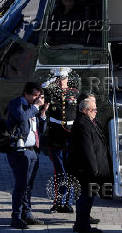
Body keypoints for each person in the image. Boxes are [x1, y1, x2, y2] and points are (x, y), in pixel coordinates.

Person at [6, 82, 49, 229]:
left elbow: (40, 131)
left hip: (33, 150)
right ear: (26, 94)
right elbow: (21, 118)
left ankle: (27, 214)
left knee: (28, 186)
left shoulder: (33, 109)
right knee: (21, 185)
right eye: (35, 96)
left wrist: (42, 114)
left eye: (39, 96)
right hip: (19, 151)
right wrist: (36, 107)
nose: (37, 99)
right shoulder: (17, 103)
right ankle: (16, 217)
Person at [69, 97, 112, 233]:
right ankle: (83, 226)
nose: (96, 112)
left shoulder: (91, 122)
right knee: (85, 198)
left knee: (88, 198)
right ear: (85, 110)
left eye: (96, 109)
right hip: (86, 170)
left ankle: (81, 223)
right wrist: (94, 170)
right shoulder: (82, 124)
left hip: (91, 170)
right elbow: (87, 150)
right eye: (93, 110)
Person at [44, 67, 79, 214]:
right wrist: (49, 82)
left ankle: (67, 202)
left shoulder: (74, 92)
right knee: (59, 172)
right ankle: (58, 202)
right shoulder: (50, 91)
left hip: (70, 137)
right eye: (59, 79)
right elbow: (43, 93)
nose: (61, 81)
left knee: (70, 171)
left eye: (63, 78)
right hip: (56, 136)